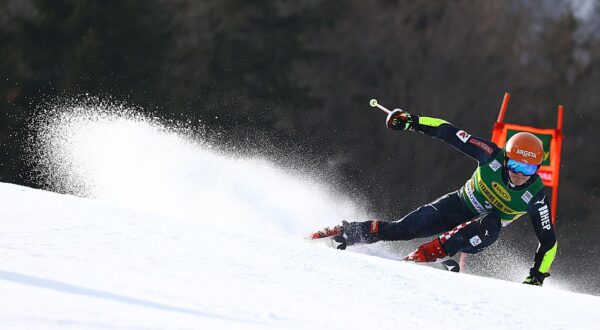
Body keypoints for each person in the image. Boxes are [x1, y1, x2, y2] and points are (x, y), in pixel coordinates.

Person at [311, 108, 557, 286]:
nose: (521, 174)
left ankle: (425, 256)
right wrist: (412, 121)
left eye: (530, 169)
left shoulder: (534, 195)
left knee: (491, 221)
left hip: (483, 232)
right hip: (458, 204)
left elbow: (548, 241)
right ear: (506, 158)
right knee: (404, 229)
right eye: (516, 165)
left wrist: (536, 277)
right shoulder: (490, 154)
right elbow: (448, 131)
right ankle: (345, 232)